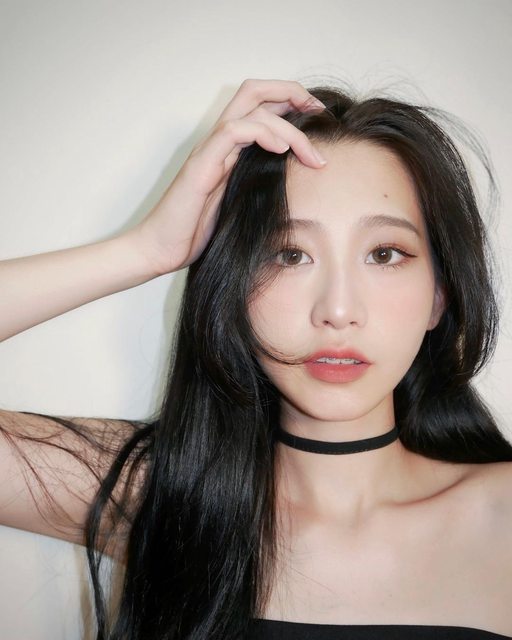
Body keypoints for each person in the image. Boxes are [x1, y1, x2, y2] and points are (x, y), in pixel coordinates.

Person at [0, 79, 511, 640]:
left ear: (439, 296)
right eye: (289, 255)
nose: (338, 311)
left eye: (384, 254)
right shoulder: (165, 496)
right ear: (235, 288)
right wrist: (147, 251)